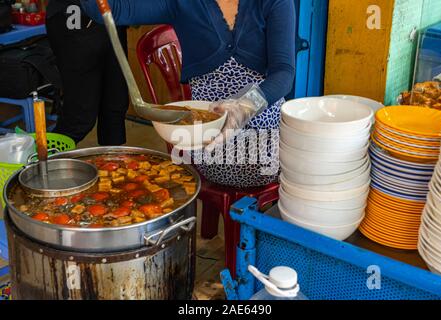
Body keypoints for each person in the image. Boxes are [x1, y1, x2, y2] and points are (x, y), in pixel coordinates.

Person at [82, 0, 296, 188]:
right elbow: (111, 9)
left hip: (266, 124)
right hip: (209, 135)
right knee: (279, 170)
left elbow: (284, 71)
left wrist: (244, 108)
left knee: (301, 164)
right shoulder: (182, 2)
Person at [46, 0, 129, 145]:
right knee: (79, 117)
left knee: (115, 105)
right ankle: (44, 163)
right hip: (74, 17)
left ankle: (113, 164)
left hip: (112, 17)